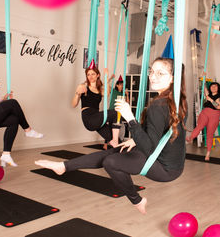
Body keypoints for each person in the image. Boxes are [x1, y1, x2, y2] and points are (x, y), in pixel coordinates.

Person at [35, 57, 187, 215]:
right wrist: (135, 139)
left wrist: (129, 118)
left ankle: (137, 200)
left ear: (173, 78)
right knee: (115, 151)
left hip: (163, 167)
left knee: (111, 162)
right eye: (151, 71)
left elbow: (149, 149)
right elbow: (160, 130)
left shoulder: (159, 104)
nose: (153, 76)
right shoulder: (175, 100)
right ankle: (63, 167)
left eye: (160, 73)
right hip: (170, 163)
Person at [71, 59, 120, 148]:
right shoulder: (83, 86)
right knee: (116, 113)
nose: (90, 76)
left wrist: (106, 77)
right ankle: (115, 141)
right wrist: (77, 94)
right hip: (89, 118)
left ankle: (117, 144)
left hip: (97, 119)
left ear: (98, 75)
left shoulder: (100, 89)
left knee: (117, 141)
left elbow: (107, 93)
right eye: (88, 74)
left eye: (93, 74)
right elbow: (73, 105)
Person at [186, 81, 220, 160]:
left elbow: (218, 107)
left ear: (218, 88)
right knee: (199, 126)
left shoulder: (219, 96)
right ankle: (191, 137)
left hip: (214, 115)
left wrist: (211, 100)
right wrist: (203, 77)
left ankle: (208, 153)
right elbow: (204, 88)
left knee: (209, 134)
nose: (213, 87)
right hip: (205, 113)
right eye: (212, 86)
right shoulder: (209, 95)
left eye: (215, 86)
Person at [103, 75, 129, 149]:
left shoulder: (123, 94)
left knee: (117, 127)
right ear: (117, 85)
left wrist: (127, 95)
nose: (122, 86)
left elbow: (127, 103)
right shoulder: (113, 91)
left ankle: (117, 141)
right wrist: (111, 77)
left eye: (123, 85)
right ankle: (105, 144)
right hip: (112, 111)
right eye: (120, 85)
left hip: (119, 113)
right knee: (109, 127)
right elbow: (106, 84)